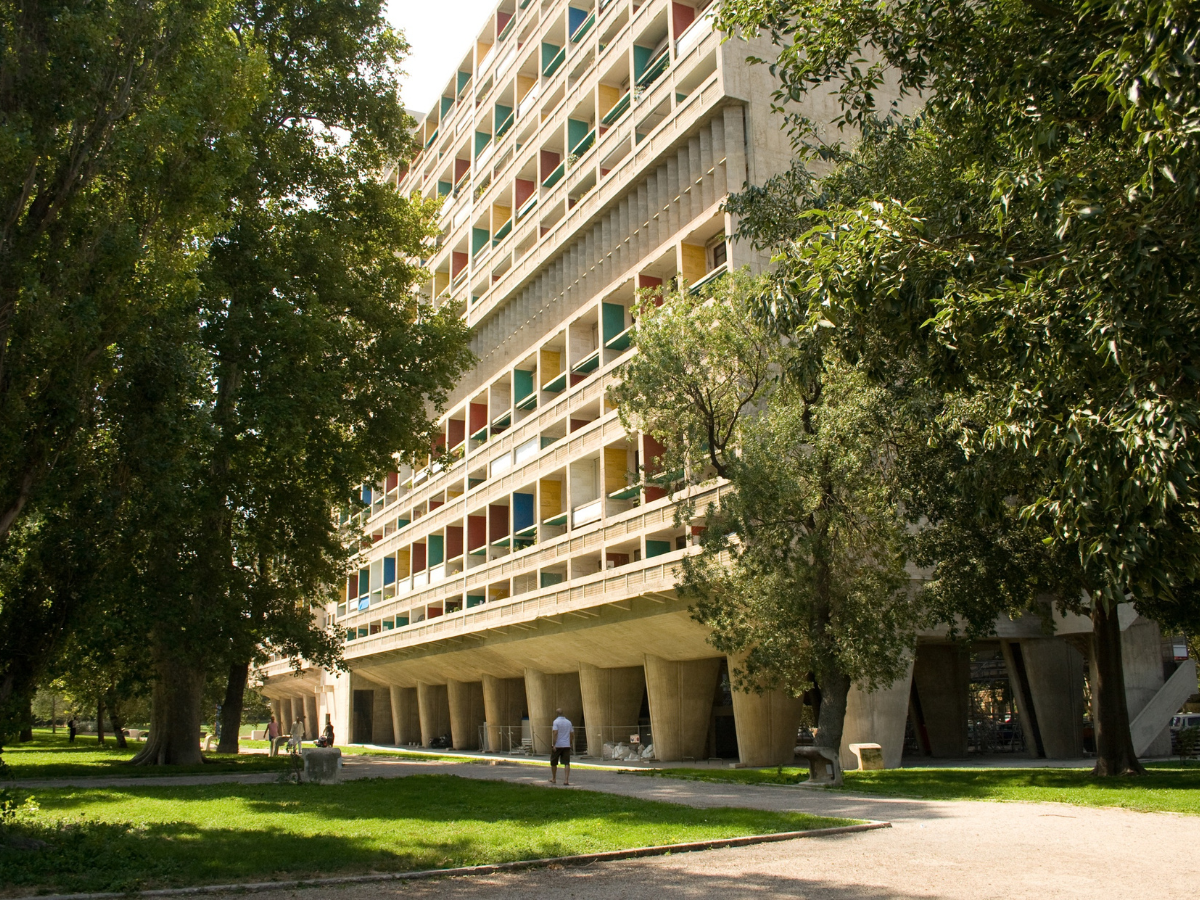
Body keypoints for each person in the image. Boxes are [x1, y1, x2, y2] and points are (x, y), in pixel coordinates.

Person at [550, 707, 574, 786]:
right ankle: (566, 780)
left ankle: (554, 778)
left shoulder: (556, 722)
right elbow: (571, 734)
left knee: (554, 762)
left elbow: (555, 733)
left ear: (556, 714)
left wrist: (554, 744)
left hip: (558, 745)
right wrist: (570, 743)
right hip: (566, 745)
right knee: (566, 762)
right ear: (563, 713)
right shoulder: (568, 722)